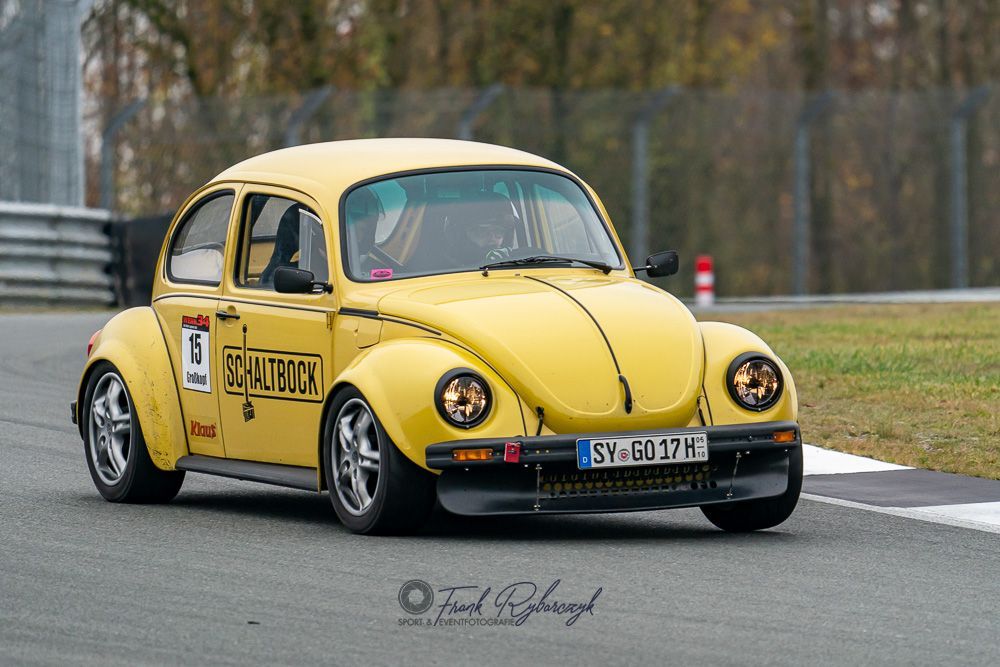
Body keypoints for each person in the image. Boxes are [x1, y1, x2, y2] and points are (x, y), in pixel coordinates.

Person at [443, 191, 518, 266]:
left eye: (498, 232)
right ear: (463, 236)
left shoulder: (518, 263)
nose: (492, 237)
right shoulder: (447, 269)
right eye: (482, 231)